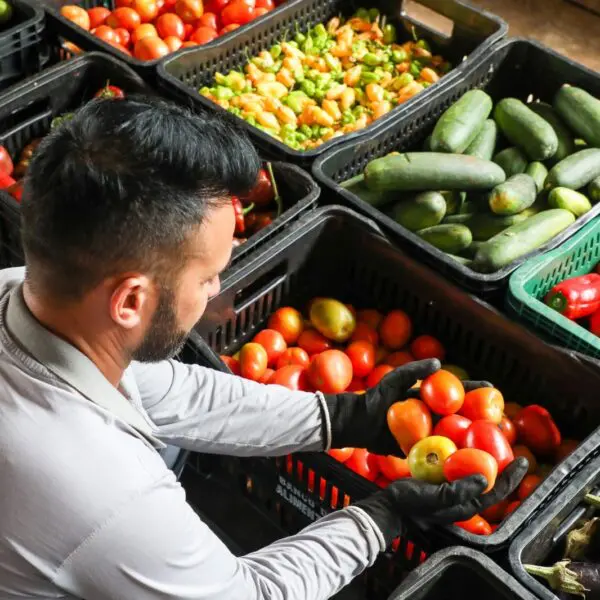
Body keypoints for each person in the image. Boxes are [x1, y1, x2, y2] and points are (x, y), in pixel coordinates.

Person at [0, 96, 527, 600]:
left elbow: (172, 390)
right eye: (207, 277)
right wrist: (385, 516)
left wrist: (345, 416)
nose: (215, 293)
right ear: (130, 301)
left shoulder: (30, 292)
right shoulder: (107, 495)